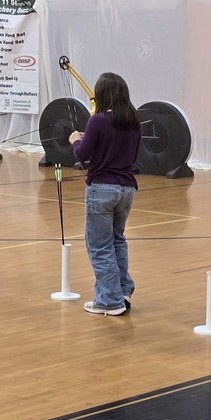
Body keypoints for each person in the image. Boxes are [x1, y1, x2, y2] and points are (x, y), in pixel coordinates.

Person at [68, 72, 142, 316]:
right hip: (127, 189)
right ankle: (121, 290)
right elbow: (131, 156)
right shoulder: (133, 121)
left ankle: (109, 300)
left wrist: (75, 141)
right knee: (117, 240)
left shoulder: (97, 121)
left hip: (102, 189)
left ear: (101, 95)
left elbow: (82, 155)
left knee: (100, 246)